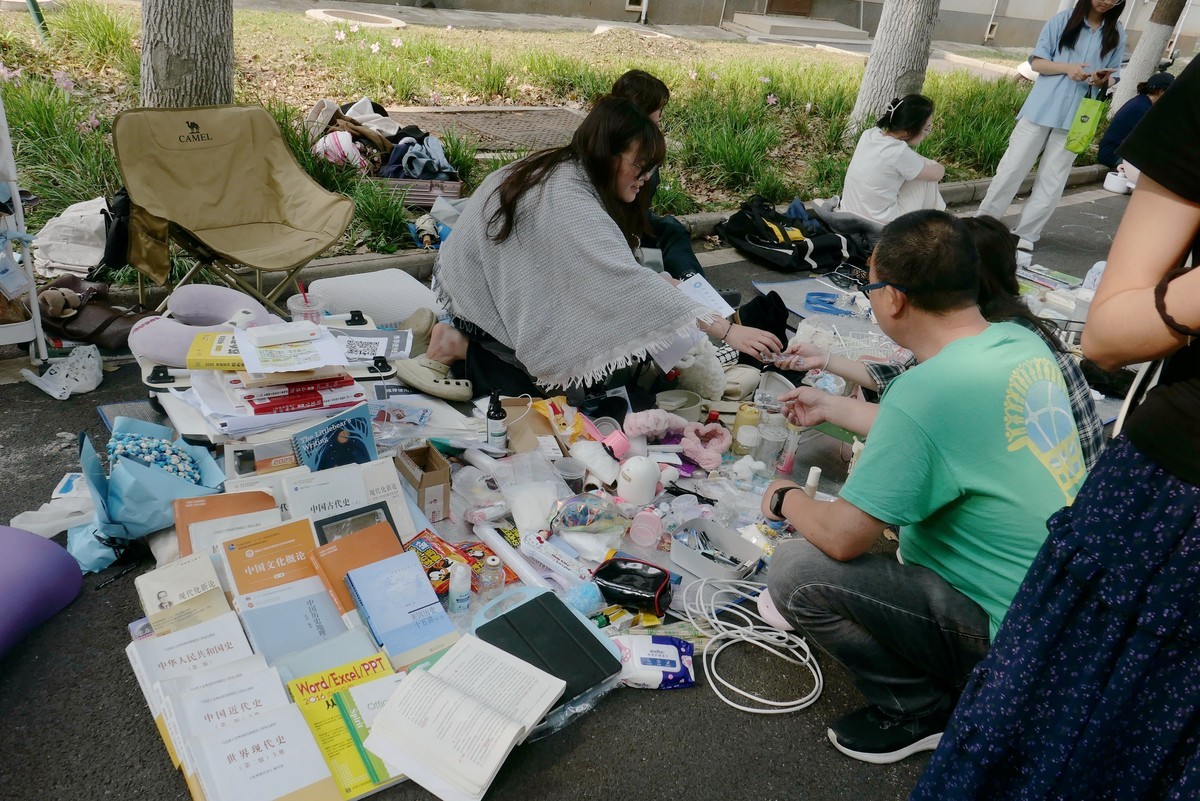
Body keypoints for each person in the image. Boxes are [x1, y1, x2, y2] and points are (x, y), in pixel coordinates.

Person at [912, 56, 1200, 800]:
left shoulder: (936, 383)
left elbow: (854, 526)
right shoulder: (1018, 342)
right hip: (1169, 502)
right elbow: (1108, 334)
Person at [762, 209, 1087, 765]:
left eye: (870, 286)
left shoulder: (927, 390)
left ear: (893, 298)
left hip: (1009, 644)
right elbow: (941, 435)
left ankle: (921, 708)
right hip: (1060, 618)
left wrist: (783, 495)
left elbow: (842, 537)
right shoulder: (1017, 342)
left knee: (796, 571)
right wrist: (833, 406)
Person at [392, 95, 782, 401]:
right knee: (552, 397)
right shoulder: (572, 199)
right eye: (640, 166)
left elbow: (606, 274)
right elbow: (624, 283)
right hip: (479, 308)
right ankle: (455, 343)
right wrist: (726, 330)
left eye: (650, 169)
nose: (646, 178)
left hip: (472, 291)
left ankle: (452, 332)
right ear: (609, 154)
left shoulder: (562, 168)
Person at [779, 214, 1106, 471]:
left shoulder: (980, 359)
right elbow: (907, 385)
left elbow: (911, 426)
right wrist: (826, 363)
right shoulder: (1009, 332)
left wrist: (784, 499)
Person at [976, 0, 1126, 252]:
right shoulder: (1063, 20)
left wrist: (1103, 80)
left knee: (1052, 181)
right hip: (1041, 109)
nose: (1107, 2)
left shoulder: (1117, 32)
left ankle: (1026, 235)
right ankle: (982, 225)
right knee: (1011, 170)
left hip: (1077, 117)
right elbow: (1037, 62)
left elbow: (1114, 75)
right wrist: (1068, 68)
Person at [610, 70, 713, 284]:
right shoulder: (615, 144)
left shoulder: (645, 142)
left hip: (635, 219)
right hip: (616, 226)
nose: (646, 176)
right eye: (659, 109)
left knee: (671, 228)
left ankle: (694, 285)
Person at [839, 94, 946, 226]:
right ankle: (938, 224)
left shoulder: (869, 135)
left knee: (922, 168)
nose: (926, 134)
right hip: (881, 222)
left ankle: (936, 222)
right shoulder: (899, 152)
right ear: (910, 130)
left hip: (849, 211)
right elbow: (937, 175)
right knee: (927, 175)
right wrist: (938, 166)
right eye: (926, 129)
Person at [1096, 70, 1173, 168]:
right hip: (1113, 155)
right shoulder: (1142, 108)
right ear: (1162, 92)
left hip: (1112, 152)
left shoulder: (1141, 102)